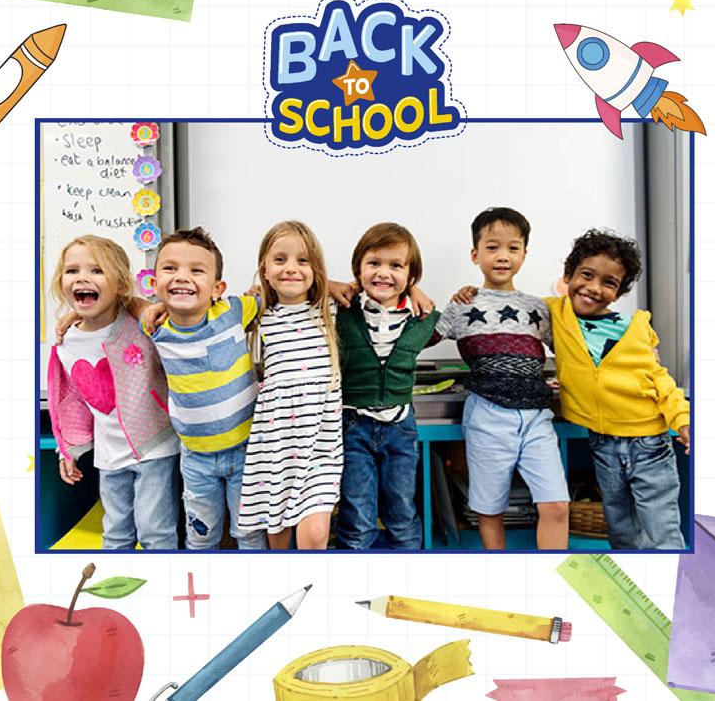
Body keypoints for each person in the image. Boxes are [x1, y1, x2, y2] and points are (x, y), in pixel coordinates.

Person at [434, 207, 570, 550]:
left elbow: (574, 349)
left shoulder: (538, 307)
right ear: (475, 254)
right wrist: (419, 296)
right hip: (487, 414)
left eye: (513, 248)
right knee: (489, 508)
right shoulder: (462, 305)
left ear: (524, 253)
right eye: (492, 247)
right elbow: (421, 338)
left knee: (555, 505)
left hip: (537, 416)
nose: (502, 256)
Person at [547, 228, 689, 549]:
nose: (594, 288)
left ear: (619, 293)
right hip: (603, 443)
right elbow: (510, 302)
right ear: (568, 275)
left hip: (648, 444)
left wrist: (682, 419)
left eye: (608, 283)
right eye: (586, 275)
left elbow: (659, 377)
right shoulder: (556, 314)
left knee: (660, 531)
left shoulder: (633, 328)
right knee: (620, 531)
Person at [47, 235, 180, 550]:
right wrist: (70, 450)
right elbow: (74, 402)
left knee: (155, 532)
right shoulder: (67, 342)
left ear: (120, 285)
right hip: (109, 456)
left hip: (156, 447)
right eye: (72, 271)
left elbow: (172, 319)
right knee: (116, 533)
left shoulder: (141, 324)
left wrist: (138, 304)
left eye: (96, 271)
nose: (82, 277)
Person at [141, 227, 269, 550]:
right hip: (196, 458)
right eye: (170, 269)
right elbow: (117, 303)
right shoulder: (154, 327)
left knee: (251, 535)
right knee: (201, 537)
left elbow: (275, 292)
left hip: (246, 451)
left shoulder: (233, 311)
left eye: (196, 270)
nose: (182, 277)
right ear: (155, 284)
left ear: (218, 288)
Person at [236, 221, 343, 550]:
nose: (291, 268)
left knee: (315, 535)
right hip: (276, 443)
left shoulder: (331, 311)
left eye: (303, 260)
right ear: (264, 269)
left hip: (320, 445)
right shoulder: (258, 315)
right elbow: (197, 313)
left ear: (316, 268)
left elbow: (382, 286)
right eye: (280, 259)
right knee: (277, 538)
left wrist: (417, 290)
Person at [334, 222, 440, 550]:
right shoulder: (343, 310)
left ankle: (409, 584)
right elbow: (303, 284)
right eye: (374, 264)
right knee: (357, 516)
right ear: (358, 269)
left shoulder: (422, 317)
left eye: (396, 266)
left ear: (410, 276)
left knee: (401, 511)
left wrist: (415, 290)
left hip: (400, 428)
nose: (383, 273)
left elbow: (453, 319)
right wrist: (340, 284)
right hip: (353, 427)